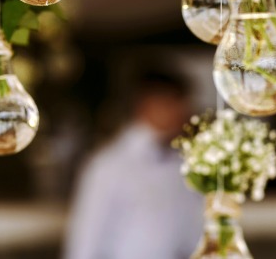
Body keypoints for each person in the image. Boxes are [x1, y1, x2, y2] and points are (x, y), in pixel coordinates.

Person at [63, 71, 203, 259]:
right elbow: (85, 243)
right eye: (174, 103)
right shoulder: (108, 165)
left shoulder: (180, 161)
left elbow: (190, 232)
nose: (184, 112)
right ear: (147, 104)